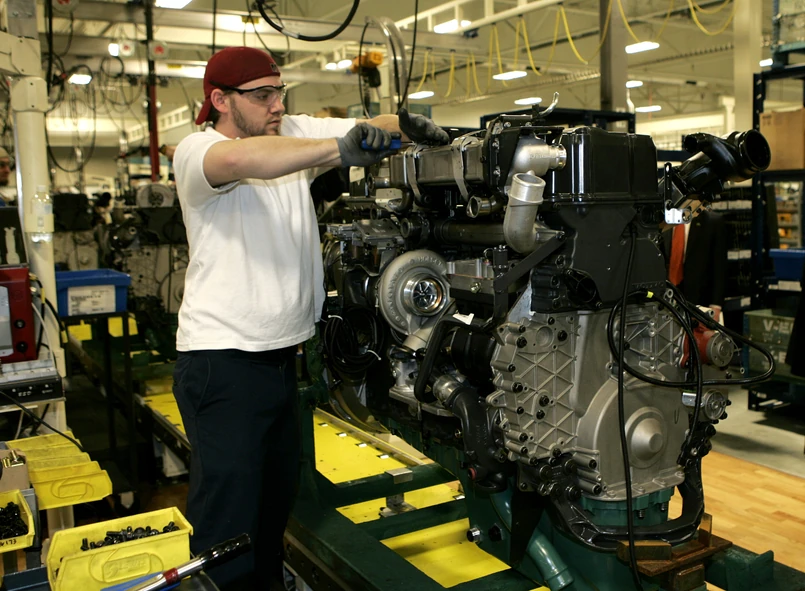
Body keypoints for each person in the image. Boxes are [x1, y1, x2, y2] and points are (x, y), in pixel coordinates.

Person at [171, 46, 448, 591]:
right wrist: (339, 150)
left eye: (280, 92)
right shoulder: (197, 150)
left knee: (272, 512)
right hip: (222, 363)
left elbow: (374, 126)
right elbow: (245, 162)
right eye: (262, 96)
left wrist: (408, 127)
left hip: (279, 360)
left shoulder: (291, 128)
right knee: (229, 523)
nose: (277, 105)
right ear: (220, 100)